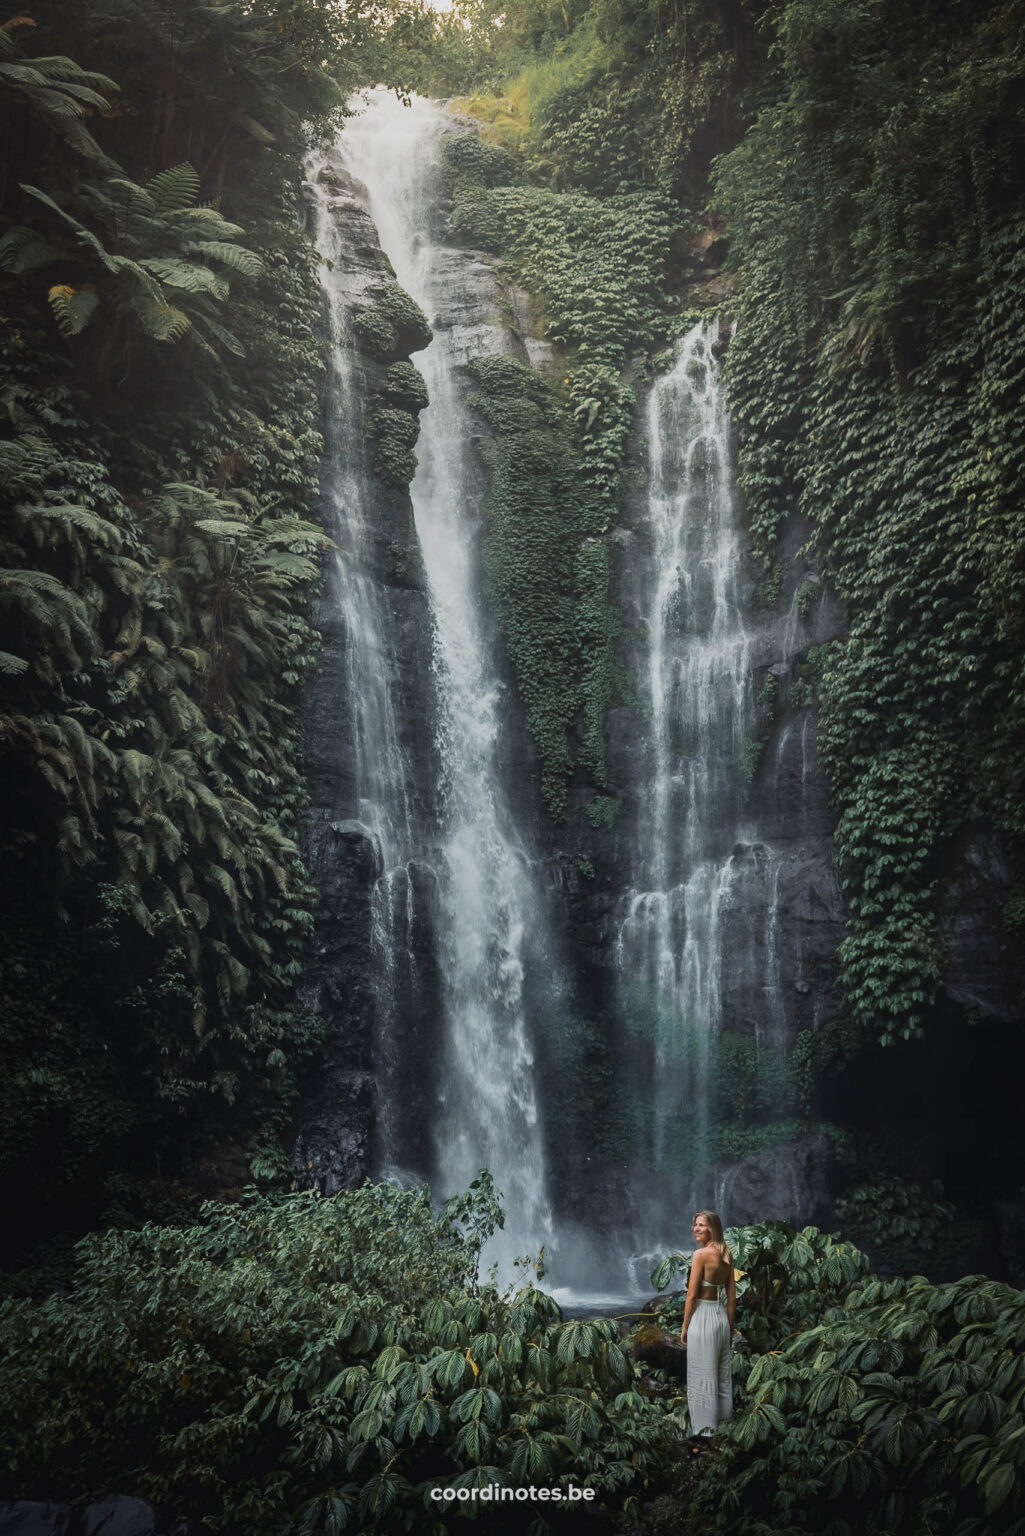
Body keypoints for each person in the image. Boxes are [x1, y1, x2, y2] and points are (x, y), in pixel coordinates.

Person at [681, 1209, 736, 1437]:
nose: (696, 1229)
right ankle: (725, 1429)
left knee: (701, 1377)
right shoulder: (726, 1254)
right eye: (695, 1225)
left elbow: (692, 1295)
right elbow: (731, 1298)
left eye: (701, 1225)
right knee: (722, 1376)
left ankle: (705, 1434)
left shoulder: (700, 1255)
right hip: (720, 1318)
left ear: (712, 1228)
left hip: (702, 1317)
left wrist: (684, 1327)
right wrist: (729, 1329)